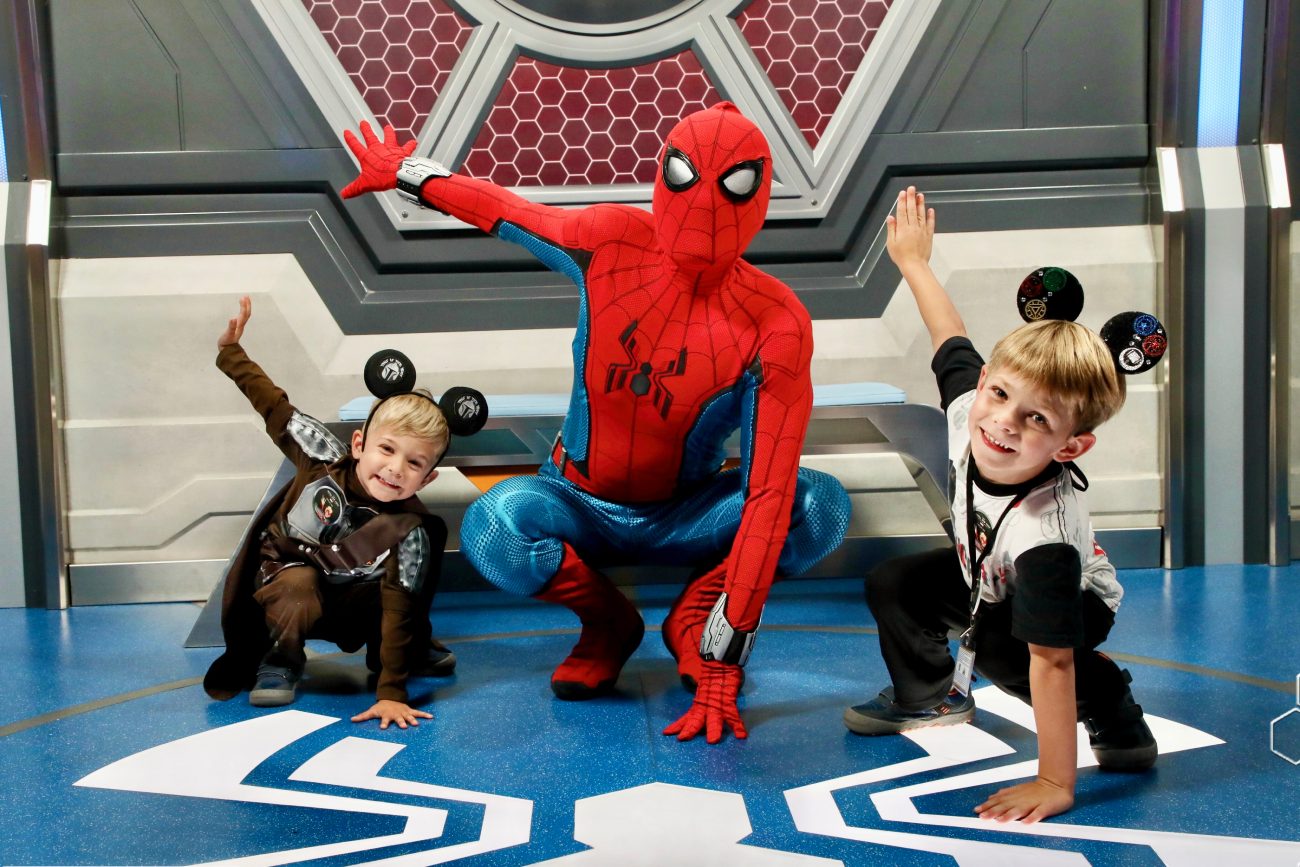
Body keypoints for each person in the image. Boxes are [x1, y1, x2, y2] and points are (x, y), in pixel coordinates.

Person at [340, 103, 851, 744]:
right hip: (575, 498)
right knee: (494, 527)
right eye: (687, 176)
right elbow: (505, 211)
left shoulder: (775, 321)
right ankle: (608, 622)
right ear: (665, 173)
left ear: (758, 190)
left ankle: (694, 614)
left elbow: (769, 493)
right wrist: (408, 175)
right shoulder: (611, 242)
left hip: (687, 512)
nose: (705, 207)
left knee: (819, 505)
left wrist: (724, 661)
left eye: (733, 186)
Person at [844, 187, 1157, 822]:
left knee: (1007, 650)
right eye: (1000, 393)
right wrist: (913, 262)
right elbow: (950, 338)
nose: (1003, 422)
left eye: (1035, 417)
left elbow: (1051, 659)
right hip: (988, 574)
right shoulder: (971, 413)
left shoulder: (1045, 534)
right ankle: (930, 696)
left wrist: (1053, 781)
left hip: (1071, 601)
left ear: (1072, 445)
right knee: (896, 583)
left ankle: (1111, 701)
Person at [202, 296, 456, 730]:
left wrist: (391, 692)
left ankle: (401, 654)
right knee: (297, 586)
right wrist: (232, 352)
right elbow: (275, 406)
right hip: (291, 581)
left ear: (427, 480)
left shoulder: (410, 530)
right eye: (387, 449)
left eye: (414, 463)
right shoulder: (320, 455)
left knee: (401, 608)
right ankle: (280, 659)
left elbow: (399, 606)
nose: (395, 468)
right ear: (359, 445)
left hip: (361, 596)